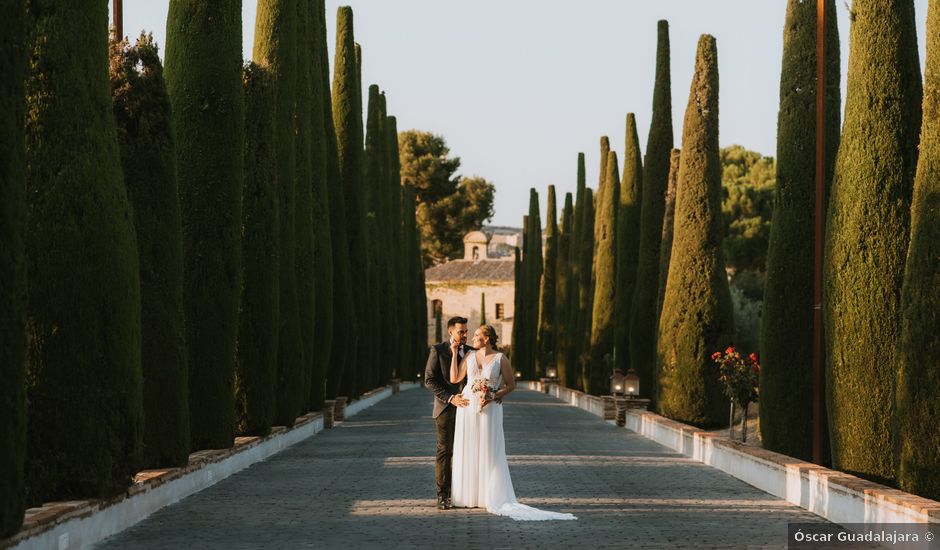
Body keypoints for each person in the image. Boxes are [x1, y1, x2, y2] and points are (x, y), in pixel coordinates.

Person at [449, 324, 577, 521]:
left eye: (477, 335)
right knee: (469, 447)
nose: (473, 338)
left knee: (490, 448)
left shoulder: (501, 358)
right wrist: (454, 352)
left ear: (487, 338)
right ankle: (468, 494)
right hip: (467, 407)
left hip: (490, 407)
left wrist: (493, 395)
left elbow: (511, 385)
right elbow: (455, 377)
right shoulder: (468, 356)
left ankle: (487, 495)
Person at [424, 316, 472, 510]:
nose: (465, 335)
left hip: (469, 409)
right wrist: (451, 398)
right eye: (461, 331)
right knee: (445, 451)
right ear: (450, 331)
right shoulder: (438, 350)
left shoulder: (471, 352)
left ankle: (464, 493)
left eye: (466, 331)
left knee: (467, 451)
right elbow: (430, 380)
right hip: (445, 409)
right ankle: (443, 495)